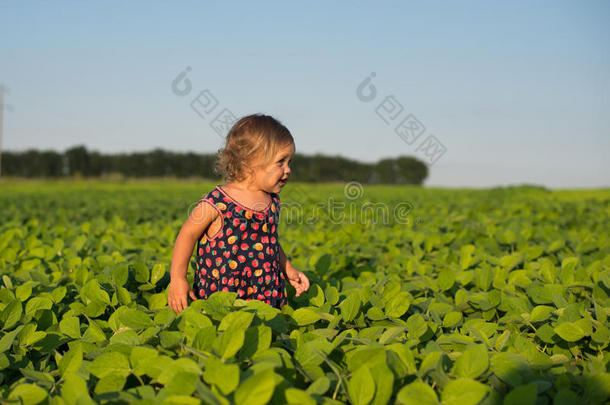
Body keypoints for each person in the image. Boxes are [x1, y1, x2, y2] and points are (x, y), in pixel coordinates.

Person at [168, 114, 310, 314]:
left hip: (265, 293)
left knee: (267, 338)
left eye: (289, 162)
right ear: (250, 162)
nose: (288, 170)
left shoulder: (271, 201)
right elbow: (187, 234)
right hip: (223, 295)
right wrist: (178, 278)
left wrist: (288, 269)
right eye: (280, 162)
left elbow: (269, 243)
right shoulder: (218, 201)